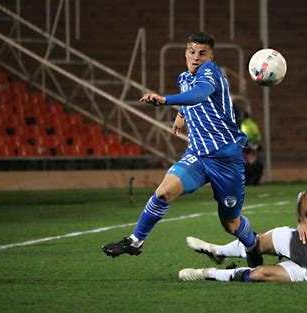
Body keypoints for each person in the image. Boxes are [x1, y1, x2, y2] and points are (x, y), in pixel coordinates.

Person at [102, 32, 262, 267]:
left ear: (211, 56)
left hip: (226, 160)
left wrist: (166, 101)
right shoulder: (185, 77)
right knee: (163, 192)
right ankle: (135, 241)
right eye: (192, 52)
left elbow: (201, 93)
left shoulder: (211, 72)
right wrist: (180, 114)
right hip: (197, 155)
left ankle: (252, 245)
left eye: (202, 53)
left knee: (231, 224)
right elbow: (191, 96)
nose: (196, 58)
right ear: (186, 53)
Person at [179, 176, 307, 284]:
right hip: (306, 239)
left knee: (259, 274)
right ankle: (218, 251)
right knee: (256, 242)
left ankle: (206, 274)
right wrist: (303, 219)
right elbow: (306, 196)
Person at [240, 112, 264, 185]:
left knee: (247, 164)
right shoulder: (253, 124)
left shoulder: (243, 125)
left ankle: (247, 181)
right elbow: (257, 136)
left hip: (246, 147)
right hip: (251, 147)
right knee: (256, 165)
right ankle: (253, 181)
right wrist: (256, 145)